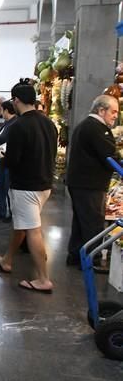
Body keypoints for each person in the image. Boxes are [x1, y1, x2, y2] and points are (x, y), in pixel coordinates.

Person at [0, 79, 58, 293]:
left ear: (16, 100)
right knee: (22, 225)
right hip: (44, 183)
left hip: (25, 185)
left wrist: (1, 157)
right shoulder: (48, 123)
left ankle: (43, 278)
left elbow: (13, 159)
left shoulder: (20, 125)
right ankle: (7, 259)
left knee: (33, 230)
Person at [65, 95, 119, 268]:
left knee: (81, 223)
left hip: (80, 183)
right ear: (101, 110)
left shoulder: (86, 125)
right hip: (90, 185)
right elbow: (110, 155)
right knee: (93, 224)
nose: (115, 115)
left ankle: (76, 256)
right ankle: (90, 260)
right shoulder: (96, 128)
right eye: (113, 111)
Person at [0, 99, 18, 221]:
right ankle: (0, 211)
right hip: (1, 161)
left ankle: (10, 213)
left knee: (7, 188)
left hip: (8, 162)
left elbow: (10, 144)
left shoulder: (15, 124)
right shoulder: (7, 124)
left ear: (6, 110)